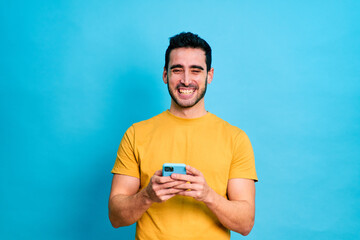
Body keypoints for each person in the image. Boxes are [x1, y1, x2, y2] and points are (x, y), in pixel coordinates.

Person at [108, 32, 258, 240]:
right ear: (165, 75)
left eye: (196, 71)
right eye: (177, 70)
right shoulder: (136, 134)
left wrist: (208, 195)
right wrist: (148, 195)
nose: (186, 80)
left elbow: (245, 224)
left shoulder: (235, 138)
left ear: (210, 75)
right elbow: (115, 217)